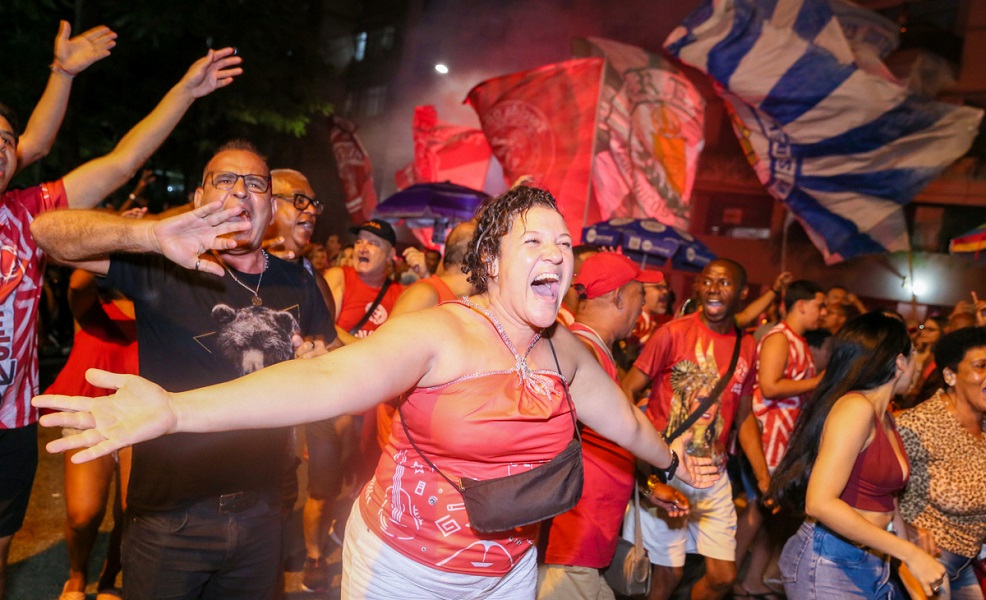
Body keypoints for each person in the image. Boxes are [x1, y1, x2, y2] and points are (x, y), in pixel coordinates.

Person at [34, 185, 718, 599]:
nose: (557, 253)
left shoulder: (564, 352)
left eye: (564, 243)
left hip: (507, 573)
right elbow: (329, 378)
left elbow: (622, 422)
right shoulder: (439, 333)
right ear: (490, 261)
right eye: (533, 239)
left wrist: (669, 464)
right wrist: (179, 409)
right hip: (404, 568)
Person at [31, 140, 335, 599]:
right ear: (199, 199)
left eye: (255, 183)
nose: (240, 191)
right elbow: (47, 232)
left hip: (263, 511)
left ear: (270, 206)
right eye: (225, 180)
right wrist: (149, 235)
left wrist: (318, 363)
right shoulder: (165, 266)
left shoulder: (299, 281)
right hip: (171, 516)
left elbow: (327, 361)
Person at [0, 41, 240, 599]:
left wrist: (185, 91)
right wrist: (61, 73)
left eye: (6, 143)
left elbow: (122, 162)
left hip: (8, 429)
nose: (2, 150)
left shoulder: (27, 213)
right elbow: (39, 140)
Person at [537, 252, 686, 600]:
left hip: (589, 545)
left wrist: (647, 488)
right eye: (639, 294)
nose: (643, 308)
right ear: (618, 296)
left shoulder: (595, 352)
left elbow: (605, 444)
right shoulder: (581, 352)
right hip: (569, 546)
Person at [767, 312, 946, 598]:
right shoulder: (855, 409)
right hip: (829, 561)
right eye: (913, 356)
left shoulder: (885, 416)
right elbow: (820, 503)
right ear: (900, 362)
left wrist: (908, 547)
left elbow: (888, 501)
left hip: (872, 560)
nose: (917, 367)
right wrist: (910, 554)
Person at [621, 258, 768, 600]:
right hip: (668, 470)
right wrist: (641, 451)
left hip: (713, 475)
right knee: (668, 576)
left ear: (743, 293)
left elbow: (744, 415)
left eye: (725, 283)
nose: (714, 289)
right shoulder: (673, 332)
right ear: (699, 287)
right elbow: (628, 389)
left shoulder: (746, 345)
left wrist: (762, 476)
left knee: (722, 577)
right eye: (708, 281)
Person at [734, 280, 826, 598]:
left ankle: (751, 579)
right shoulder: (778, 338)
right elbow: (770, 386)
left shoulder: (797, 340)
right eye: (820, 305)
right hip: (767, 439)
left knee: (769, 515)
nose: (823, 313)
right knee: (759, 510)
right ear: (801, 305)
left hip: (783, 441)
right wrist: (817, 382)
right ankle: (728, 575)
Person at [898, 326, 986, 600]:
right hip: (927, 563)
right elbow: (875, 491)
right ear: (949, 375)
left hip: (965, 563)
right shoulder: (918, 425)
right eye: (981, 366)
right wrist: (907, 530)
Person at [264, 168, 337, 320]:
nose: (312, 210)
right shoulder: (229, 268)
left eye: (313, 203)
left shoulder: (316, 284)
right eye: (300, 200)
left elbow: (328, 342)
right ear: (268, 205)